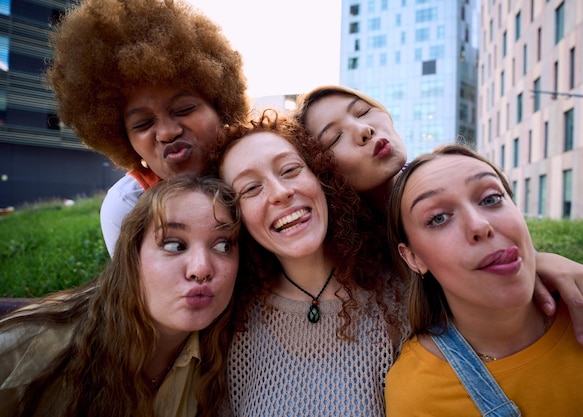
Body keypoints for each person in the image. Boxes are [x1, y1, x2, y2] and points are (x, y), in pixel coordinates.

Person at [292, 84, 583, 355]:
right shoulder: (341, 264)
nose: (363, 130)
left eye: (363, 112)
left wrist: (538, 262)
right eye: (334, 137)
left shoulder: (449, 174)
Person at [385, 144, 583, 416]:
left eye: (490, 199)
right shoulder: (416, 395)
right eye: (438, 218)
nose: (480, 225)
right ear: (414, 258)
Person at [209, 110, 407, 416]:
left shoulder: (401, 300)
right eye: (250, 188)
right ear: (235, 217)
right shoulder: (228, 327)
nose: (280, 193)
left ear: (321, 177)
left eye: (290, 170)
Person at [0, 176, 241, 417]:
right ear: (131, 257)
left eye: (222, 246)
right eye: (174, 245)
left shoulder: (232, 360)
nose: (200, 269)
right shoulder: (28, 348)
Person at [45, 0, 249, 255]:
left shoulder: (261, 170)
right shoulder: (128, 205)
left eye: (184, 109)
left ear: (220, 106)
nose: (167, 133)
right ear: (122, 139)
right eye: (143, 124)